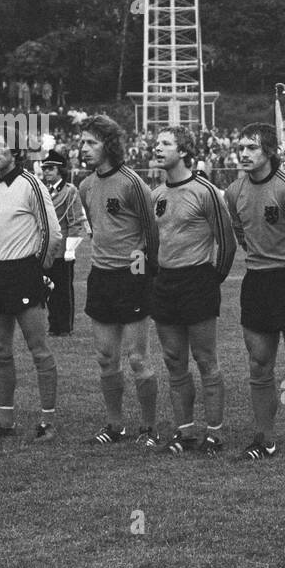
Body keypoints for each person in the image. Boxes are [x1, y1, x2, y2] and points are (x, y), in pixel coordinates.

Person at [224, 123, 285, 462]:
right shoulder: (233, 192)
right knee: (259, 363)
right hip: (256, 282)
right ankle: (265, 439)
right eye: (241, 146)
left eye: (251, 147)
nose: (243, 153)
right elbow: (241, 235)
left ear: (268, 151)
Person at [148, 127, 237, 456]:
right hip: (165, 283)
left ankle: (214, 432)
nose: (158, 148)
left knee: (205, 359)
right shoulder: (156, 195)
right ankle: (184, 431)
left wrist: (213, 278)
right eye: (157, 143)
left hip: (198, 280)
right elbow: (153, 243)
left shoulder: (206, 192)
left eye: (166, 143)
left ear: (183, 151)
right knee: (174, 361)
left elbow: (227, 241)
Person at [0, 132, 63, 441]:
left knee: (39, 350)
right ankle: (4, 421)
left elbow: (52, 232)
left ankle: (47, 422)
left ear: (16, 151)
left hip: (24, 271)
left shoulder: (31, 185)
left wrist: (39, 271)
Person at [76, 114, 161, 447]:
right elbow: (98, 229)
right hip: (101, 275)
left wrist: (144, 272)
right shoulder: (85, 186)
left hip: (133, 274)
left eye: (91, 143)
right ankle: (114, 425)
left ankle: (149, 428)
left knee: (138, 358)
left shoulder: (132, 183)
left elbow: (150, 232)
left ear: (109, 145)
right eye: (82, 142)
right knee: (105, 358)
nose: (83, 149)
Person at [41, 149, 85, 337]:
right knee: (47, 286)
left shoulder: (69, 191)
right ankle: (53, 324)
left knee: (63, 289)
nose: (46, 172)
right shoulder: (43, 190)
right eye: (45, 169)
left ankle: (65, 326)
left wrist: (70, 249)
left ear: (60, 170)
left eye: (50, 168)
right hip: (46, 248)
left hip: (63, 248)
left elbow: (75, 221)